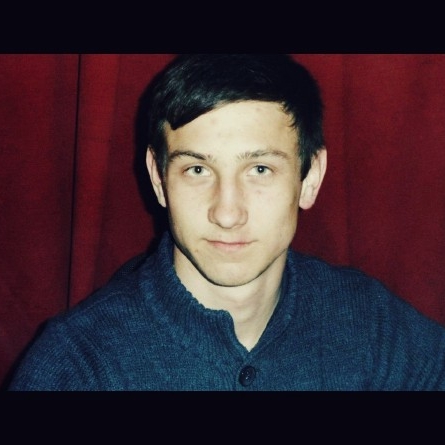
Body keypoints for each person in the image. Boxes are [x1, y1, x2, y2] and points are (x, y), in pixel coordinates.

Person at [7, 54, 445, 391]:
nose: (227, 213)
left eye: (260, 170)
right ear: (159, 179)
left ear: (310, 177)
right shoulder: (79, 365)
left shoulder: (373, 325)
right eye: (197, 170)